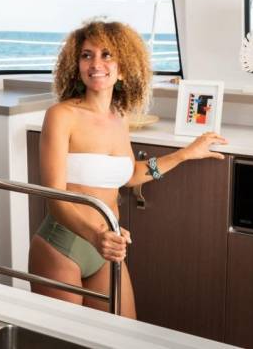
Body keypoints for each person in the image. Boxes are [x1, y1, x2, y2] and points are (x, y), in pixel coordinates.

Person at [28, 20, 227, 318]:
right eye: (87, 55)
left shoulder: (119, 117)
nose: (96, 63)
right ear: (77, 65)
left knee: (123, 334)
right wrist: (97, 236)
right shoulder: (61, 115)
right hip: (63, 247)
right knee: (67, 339)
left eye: (107, 55)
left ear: (123, 68)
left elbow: (131, 174)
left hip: (107, 248)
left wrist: (184, 155)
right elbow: (55, 198)